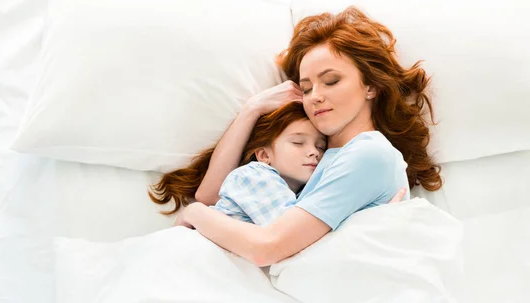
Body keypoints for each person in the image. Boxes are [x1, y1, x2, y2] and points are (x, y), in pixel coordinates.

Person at [173, 7, 442, 267]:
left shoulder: (368, 155)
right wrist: (251, 110)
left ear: (370, 86)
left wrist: (194, 213)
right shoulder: (321, 160)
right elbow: (212, 195)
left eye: (331, 81)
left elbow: (268, 248)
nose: (315, 97)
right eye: (306, 88)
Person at [150, 102, 327, 226]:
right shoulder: (256, 175)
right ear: (265, 155)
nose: (314, 152)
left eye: (321, 146)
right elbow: (290, 229)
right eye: (298, 142)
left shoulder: (295, 192)